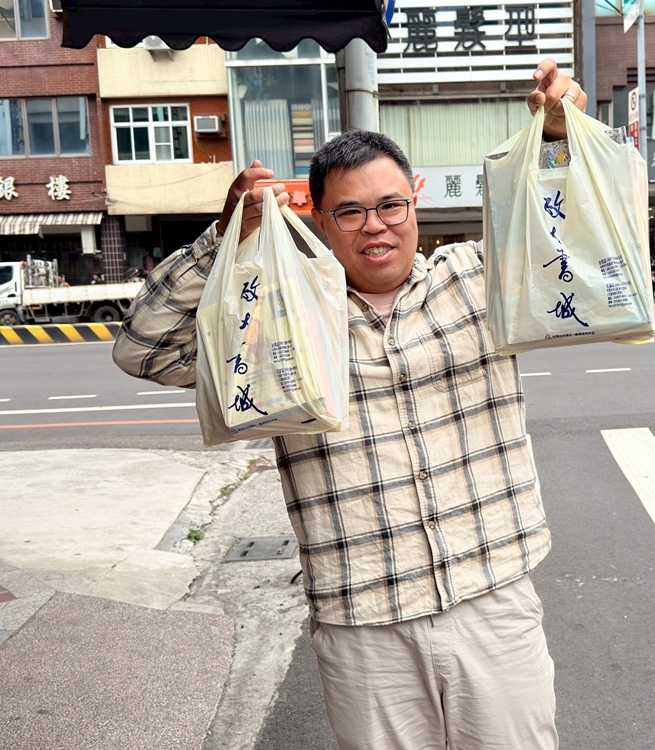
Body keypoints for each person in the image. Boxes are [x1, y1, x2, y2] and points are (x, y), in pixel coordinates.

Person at [112, 59, 587, 750]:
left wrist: (558, 134)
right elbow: (142, 349)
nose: (376, 226)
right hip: (364, 623)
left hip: (493, 599)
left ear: (415, 201)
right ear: (322, 219)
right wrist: (223, 241)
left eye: (391, 204)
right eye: (351, 211)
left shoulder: (480, 278)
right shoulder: (280, 318)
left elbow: (574, 233)